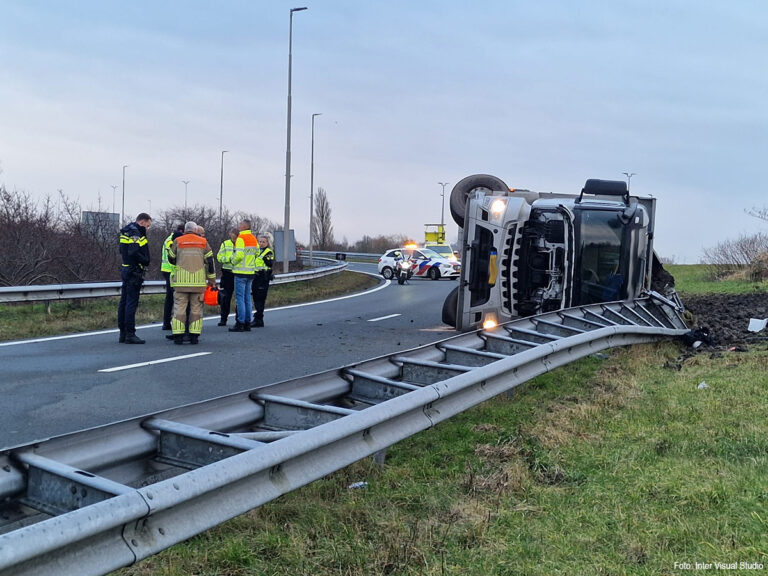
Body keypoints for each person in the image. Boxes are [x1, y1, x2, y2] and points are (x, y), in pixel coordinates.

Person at [167, 221, 216, 345]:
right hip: (198, 283)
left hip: (181, 282)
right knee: (196, 309)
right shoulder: (203, 242)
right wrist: (212, 280)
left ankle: (178, 336)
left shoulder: (178, 241)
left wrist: (178, 262)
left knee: (179, 309)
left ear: (185, 229)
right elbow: (210, 262)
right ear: (195, 230)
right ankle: (194, 336)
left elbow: (171, 257)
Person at [117, 212, 152, 344]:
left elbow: (122, 250)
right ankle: (130, 334)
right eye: (147, 225)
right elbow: (134, 251)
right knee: (131, 302)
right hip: (134, 270)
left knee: (124, 302)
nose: (147, 228)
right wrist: (145, 260)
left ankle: (123, 333)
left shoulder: (126, 231)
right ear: (142, 221)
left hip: (126, 268)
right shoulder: (135, 232)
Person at [229, 219, 258, 332]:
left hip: (240, 271)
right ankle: (247, 322)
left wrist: (232, 260)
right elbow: (256, 253)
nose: (238, 226)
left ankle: (240, 322)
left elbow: (239, 255)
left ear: (244, 227)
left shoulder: (241, 238)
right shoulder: (253, 238)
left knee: (240, 299)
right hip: (250, 272)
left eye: (240, 224)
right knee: (247, 298)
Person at [160, 223, 184, 330]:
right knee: (171, 297)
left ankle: (168, 322)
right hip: (170, 270)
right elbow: (173, 255)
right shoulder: (172, 240)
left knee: (171, 297)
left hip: (168, 270)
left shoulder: (170, 238)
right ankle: (166, 322)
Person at [251, 233, 275, 328]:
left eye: (263, 242)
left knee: (260, 299)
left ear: (267, 243)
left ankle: (259, 319)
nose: (261, 243)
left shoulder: (268, 252)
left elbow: (269, 264)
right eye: (260, 241)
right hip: (256, 277)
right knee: (256, 298)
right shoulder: (257, 251)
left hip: (263, 277)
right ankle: (257, 318)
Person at [217, 228, 238, 326]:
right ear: (230, 234)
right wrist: (228, 259)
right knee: (225, 297)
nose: (234, 236)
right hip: (227, 273)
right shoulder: (225, 244)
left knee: (239, 298)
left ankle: (239, 319)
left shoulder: (242, 244)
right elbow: (219, 257)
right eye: (233, 234)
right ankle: (223, 318)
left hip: (239, 273)